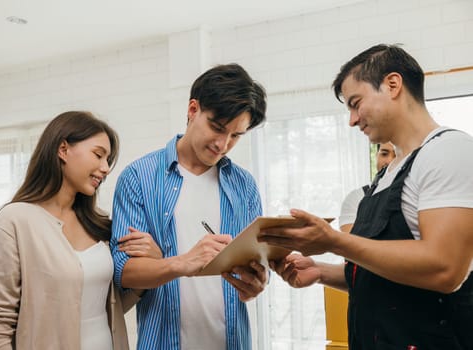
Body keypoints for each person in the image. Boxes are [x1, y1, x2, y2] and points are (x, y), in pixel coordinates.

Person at [259, 44, 473, 349]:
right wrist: (322, 272)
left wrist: (332, 241)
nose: (351, 119)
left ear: (393, 84)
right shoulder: (387, 175)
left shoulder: (448, 151)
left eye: (355, 103)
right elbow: (387, 277)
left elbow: (445, 269)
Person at [111, 63, 269, 350]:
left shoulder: (244, 185)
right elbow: (123, 272)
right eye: (218, 128)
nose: (223, 144)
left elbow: (252, 265)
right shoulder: (139, 177)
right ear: (193, 110)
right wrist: (182, 262)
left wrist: (255, 284)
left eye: (236, 136)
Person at [0, 111, 162, 350]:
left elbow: (109, 306)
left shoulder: (100, 224)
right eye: (98, 155)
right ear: (63, 149)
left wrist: (153, 265)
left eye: (108, 160)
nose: (105, 168)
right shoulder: (13, 222)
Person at [339, 142, 395, 232]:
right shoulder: (355, 198)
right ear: (376, 156)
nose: (389, 161)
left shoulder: (414, 194)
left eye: (397, 155)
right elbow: (351, 242)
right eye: (384, 154)